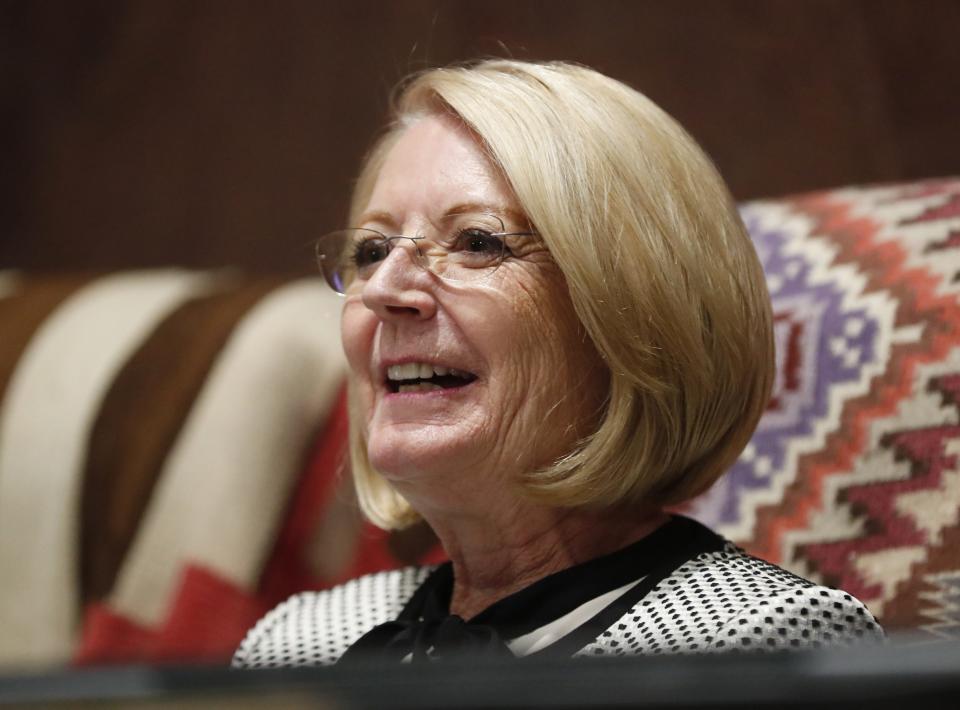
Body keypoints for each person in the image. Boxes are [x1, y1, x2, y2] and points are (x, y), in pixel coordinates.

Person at [233, 59, 882, 667]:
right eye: (372, 250)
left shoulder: (759, 643)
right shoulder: (296, 642)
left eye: (477, 242)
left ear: (633, 312)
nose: (383, 291)